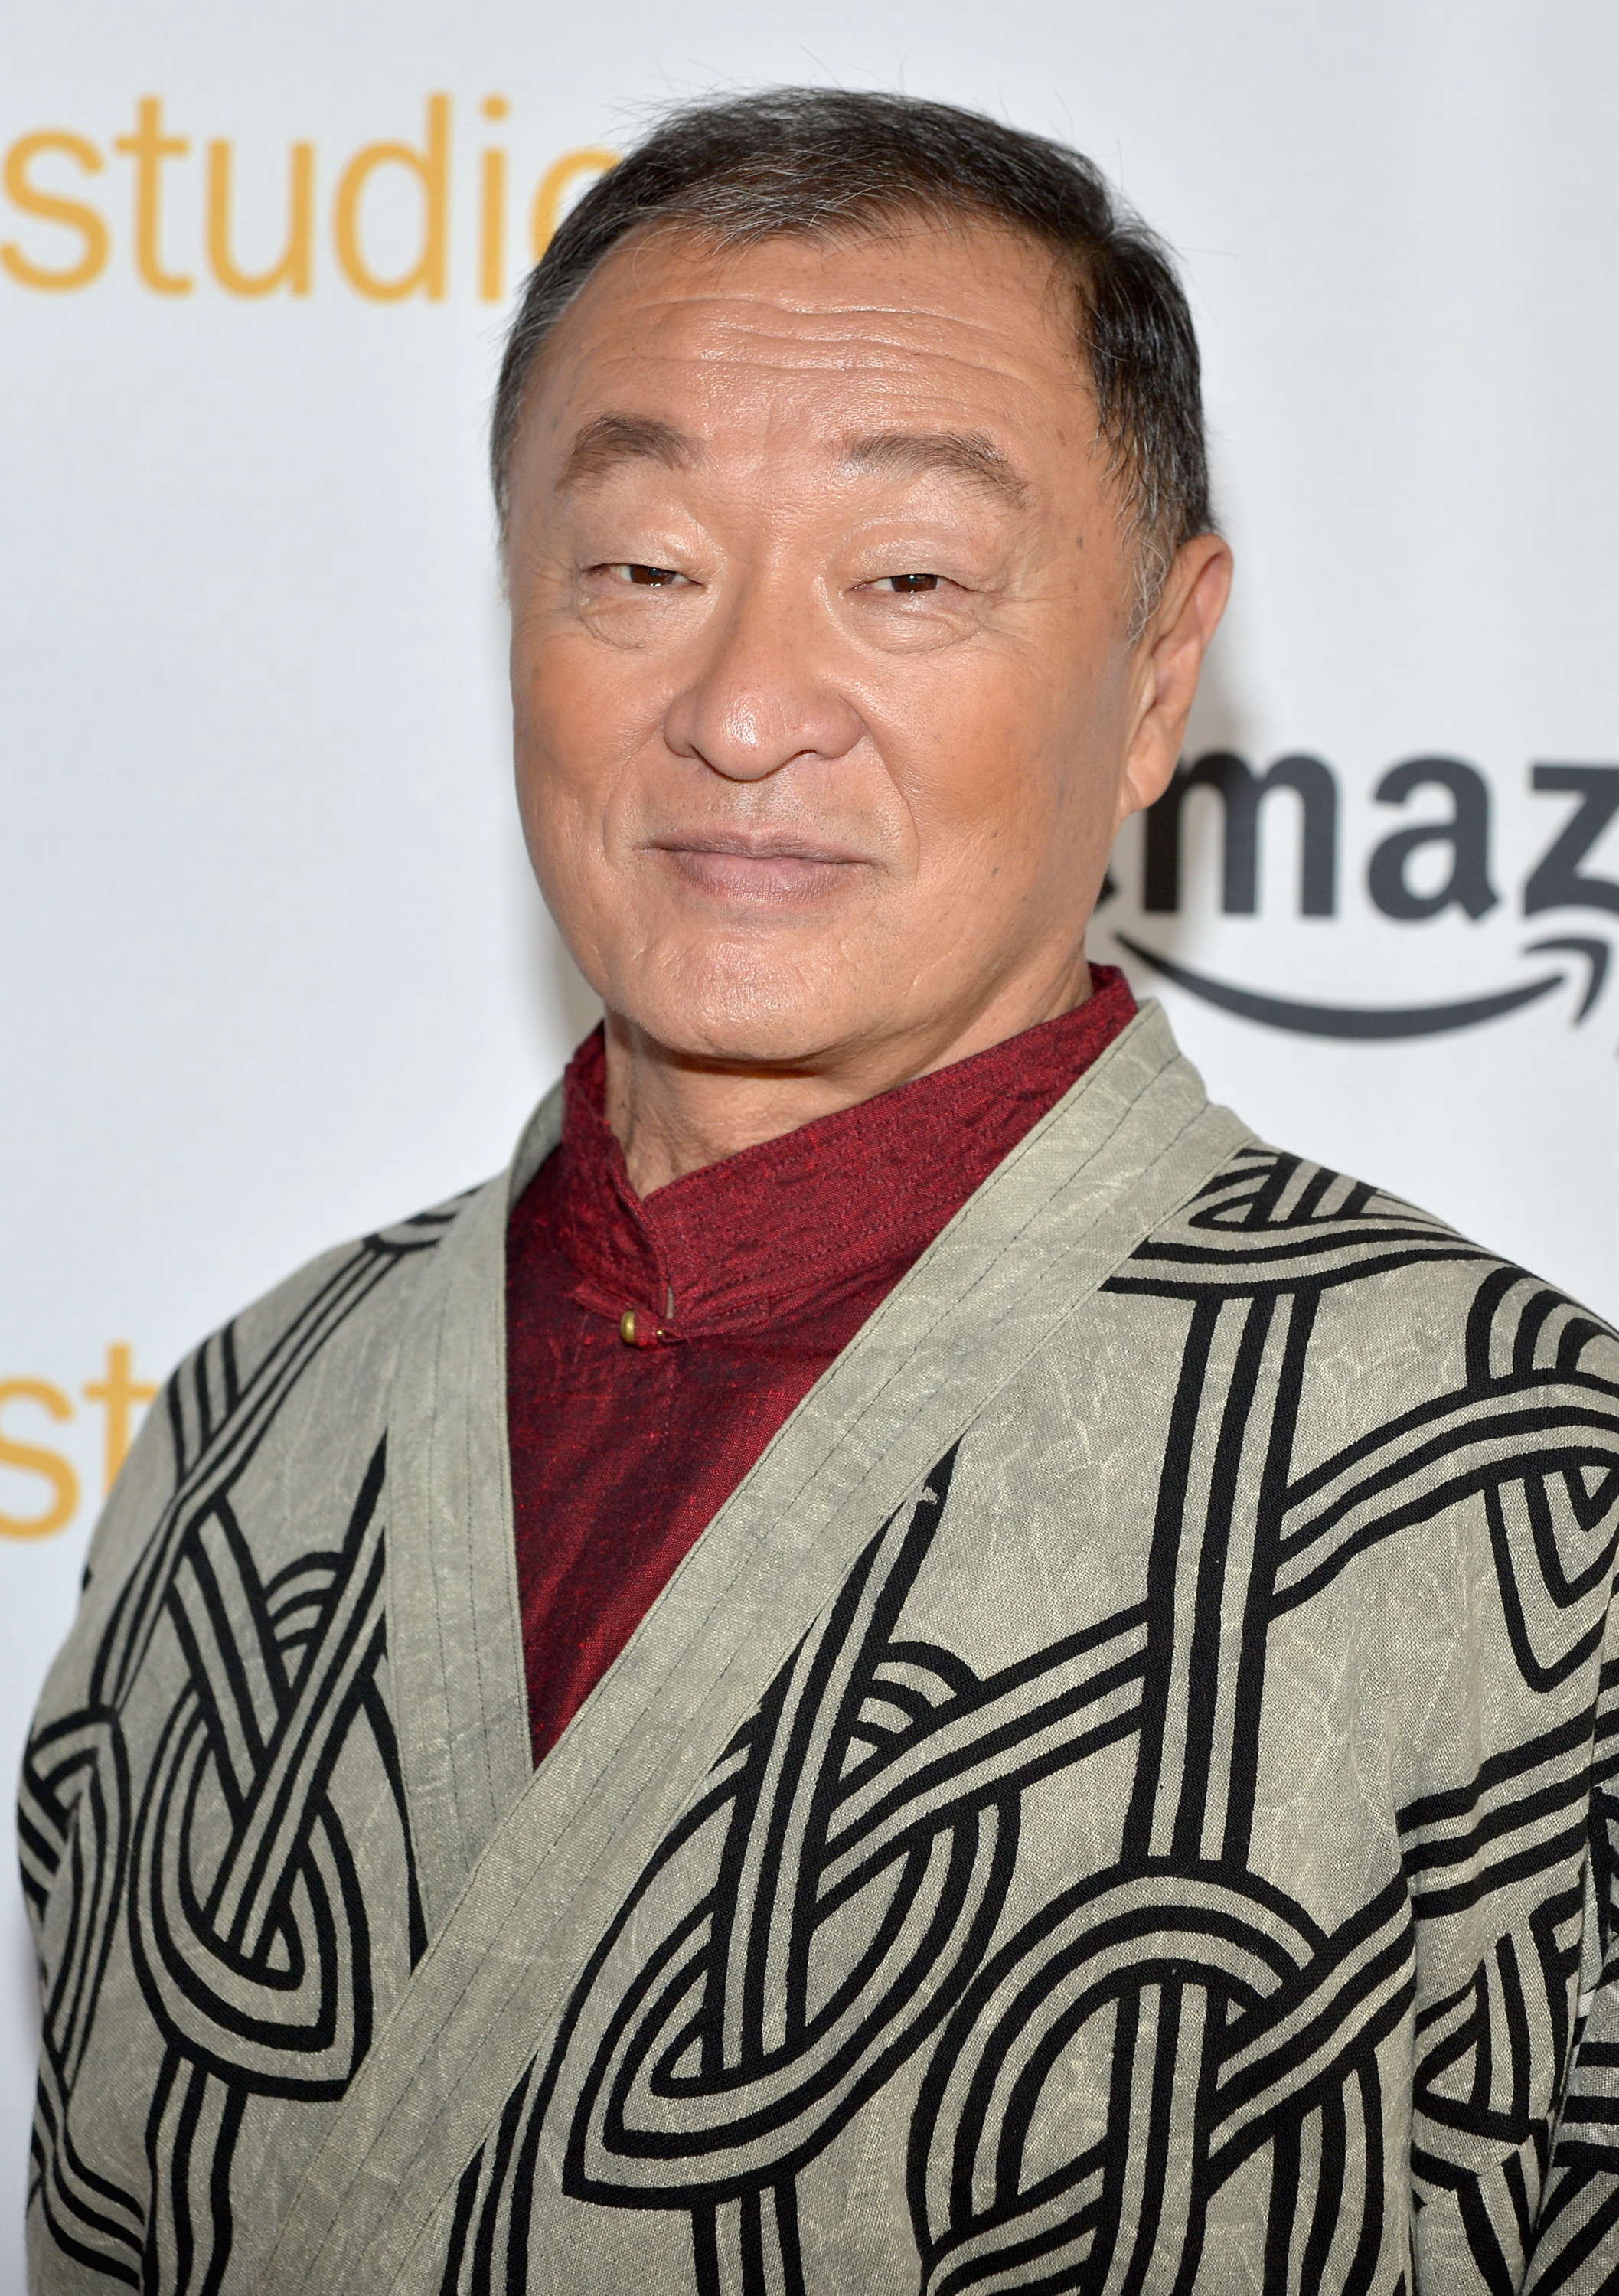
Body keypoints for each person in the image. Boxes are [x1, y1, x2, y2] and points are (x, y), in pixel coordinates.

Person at [21, 87, 1619, 2296]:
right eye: (641, 570)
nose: (746, 706)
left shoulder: (1521, 1486)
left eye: (909, 580)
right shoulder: (244, 1428)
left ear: (1158, 674)